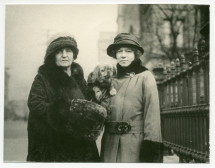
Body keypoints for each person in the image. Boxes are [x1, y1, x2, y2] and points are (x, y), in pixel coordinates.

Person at [27, 35, 101, 162]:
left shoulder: (78, 77)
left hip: (81, 143)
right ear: (52, 56)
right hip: (54, 143)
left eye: (69, 51)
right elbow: (35, 103)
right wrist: (65, 110)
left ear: (74, 55)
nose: (64, 55)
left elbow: (86, 102)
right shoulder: (43, 77)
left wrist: (96, 97)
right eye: (59, 52)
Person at [100, 33, 163, 162]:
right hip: (109, 143)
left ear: (135, 54)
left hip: (135, 143)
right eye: (119, 51)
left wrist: (150, 146)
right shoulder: (109, 79)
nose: (123, 55)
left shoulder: (145, 77)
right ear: (115, 54)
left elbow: (152, 115)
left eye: (128, 51)